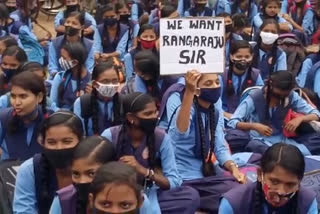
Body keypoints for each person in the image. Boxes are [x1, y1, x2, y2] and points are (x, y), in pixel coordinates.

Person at [102, 92, 200, 214]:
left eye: (155, 112)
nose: (155, 117)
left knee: (190, 196)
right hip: (115, 194)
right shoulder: (110, 136)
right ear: (131, 118)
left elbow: (174, 181)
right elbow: (98, 175)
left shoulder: (162, 138)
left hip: (149, 190)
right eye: (148, 114)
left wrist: (145, 172)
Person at [165, 70, 245, 213]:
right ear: (197, 90)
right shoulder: (184, 109)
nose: (214, 86)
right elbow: (180, 132)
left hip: (206, 173)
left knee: (243, 190)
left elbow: (220, 147)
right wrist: (189, 92)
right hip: (183, 176)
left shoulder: (214, 111)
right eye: (208, 83)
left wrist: (234, 169)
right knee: (230, 195)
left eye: (217, 82)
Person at [228, 71, 320, 156]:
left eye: (284, 96)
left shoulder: (291, 96)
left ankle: (285, 155)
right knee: (255, 145)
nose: (280, 99)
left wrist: (300, 119)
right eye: (277, 95)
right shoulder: (255, 96)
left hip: (283, 141)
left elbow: (316, 114)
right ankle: (285, 155)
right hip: (260, 141)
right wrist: (254, 126)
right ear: (270, 86)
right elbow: (233, 122)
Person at [13, 111, 84, 214]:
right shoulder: (29, 169)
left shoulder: (91, 168)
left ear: (81, 141)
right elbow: (23, 211)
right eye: (51, 142)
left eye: (67, 141)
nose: (59, 148)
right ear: (43, 142)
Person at [219, 143, 318, 213]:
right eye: (274, 181)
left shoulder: (307, 202)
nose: (281, 192)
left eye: (290, 184)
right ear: (259, 175)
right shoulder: (233, 203)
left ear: (299, 183)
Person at [50, 136, 116, 214]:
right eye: (76, 174)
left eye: (91, 174)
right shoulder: (62, 201)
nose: (82, 181)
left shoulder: (127, 199)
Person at [0, 71, 48, 160]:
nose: (17, 103)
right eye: (13, 96)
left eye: (23, 97)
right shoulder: (3, 118)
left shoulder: (52, 120)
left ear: (39, 97)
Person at [74, 60, 122, 136]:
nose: (111, 85)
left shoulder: (123, 102)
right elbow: (79, 134)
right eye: (105, 81)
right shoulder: (82, 102)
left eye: (114, 81)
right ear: (95, 84)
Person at [221, 40, 264, 118]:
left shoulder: (256, 75)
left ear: (252, 57)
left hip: (247, 117)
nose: (243, 60)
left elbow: (260, 100)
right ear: (231, 57)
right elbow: (215, 103)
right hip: (224, 116)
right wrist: (226, 115)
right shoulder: (222, 75)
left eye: (247, 57)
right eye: (239, 57)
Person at [48, 11, 95, 76]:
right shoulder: (55, 43)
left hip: (80, 79)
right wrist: (60, 78)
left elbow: (89, 69)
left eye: (74, 23)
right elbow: (52, 67)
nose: (70, 25)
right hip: (58, 77)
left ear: (82, 27)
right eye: (68, 22)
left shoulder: (89, 45)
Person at [50, 42, 91, 110]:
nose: (61, 60)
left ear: (75, 62)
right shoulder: (60, 77)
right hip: (61, 116)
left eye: (64, 58)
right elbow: (52, 104)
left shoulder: (90, 81)